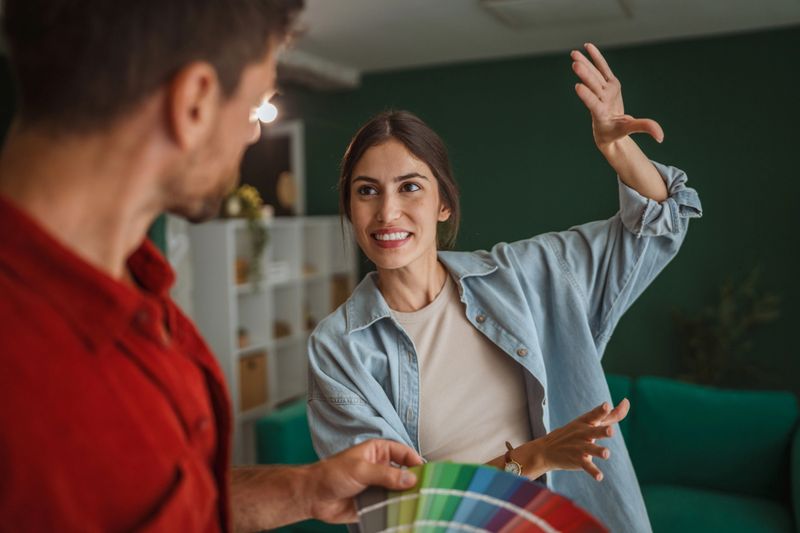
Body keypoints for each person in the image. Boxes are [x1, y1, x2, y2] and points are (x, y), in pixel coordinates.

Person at [0, 1, 423, 531]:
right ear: (195, 102)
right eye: (255, 106)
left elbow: (163, 495)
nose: (252, 135)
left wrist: (302, 488)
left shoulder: (138, 285)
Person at [306, 44, 703, 532]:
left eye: (410, 187)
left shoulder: (525, 276)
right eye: (367, 191)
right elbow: (388, 511)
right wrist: (532, 458)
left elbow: (658, 224)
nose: (387, 212)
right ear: (350, 208)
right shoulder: (338, 348)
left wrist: (618, 150)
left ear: (443, 205)